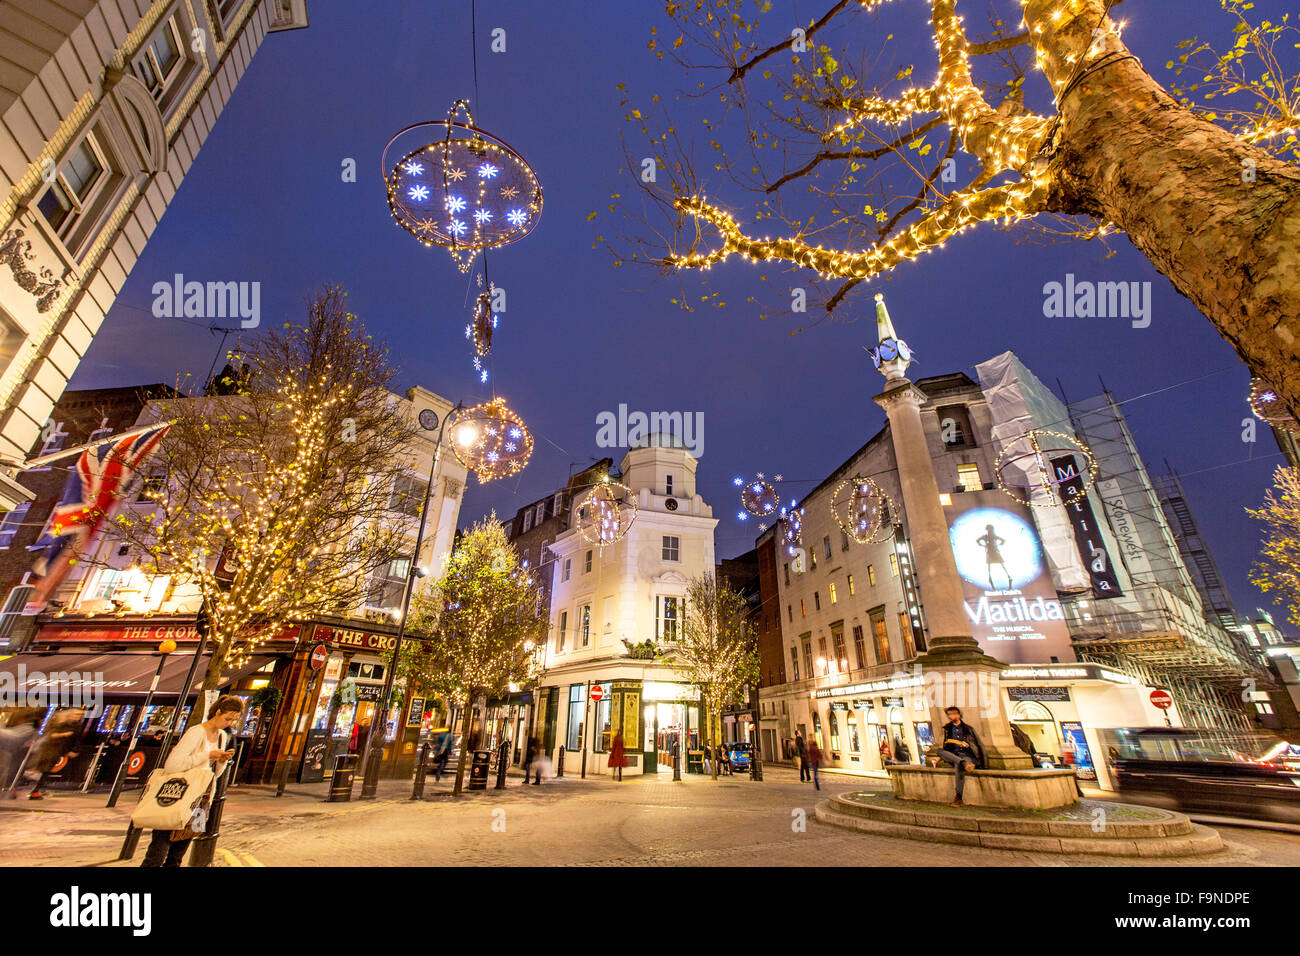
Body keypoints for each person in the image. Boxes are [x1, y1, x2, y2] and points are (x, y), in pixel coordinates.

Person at [141, 696, 241, 867]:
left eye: (233, 720)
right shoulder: (196, 732)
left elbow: (214, 774)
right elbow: (172, 765)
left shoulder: (222, 736)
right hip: (177, 796)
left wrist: (222, 761)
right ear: (217, 712)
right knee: (157, 854)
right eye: (227, 718)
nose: (229, 723)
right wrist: (208, 755)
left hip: (201, 800)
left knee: (177, 856)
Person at [25, 707, 85, 799]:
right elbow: (52, 734)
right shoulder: (62, 723)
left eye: (80, 715)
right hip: (51, 749)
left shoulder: (77, 726)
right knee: (43, 770)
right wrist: (65, 735)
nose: (78, 717)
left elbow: (76, 739)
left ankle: (36, 790)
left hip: (60, 750)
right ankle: (34, 790)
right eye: (76, 714)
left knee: (46, 771)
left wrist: (73, 750)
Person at [934, 706, 984, 807]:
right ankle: (962, 763)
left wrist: (968, 745)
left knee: (959, 765)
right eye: (949, 714)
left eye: (952, 714)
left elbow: (978, 744)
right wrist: (939, 758)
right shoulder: (947, 729)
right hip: (954, 755)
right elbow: (946, 747)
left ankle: (958, 797)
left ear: (958, 715)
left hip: (967, 755)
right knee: (939, 751)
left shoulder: (968, 729)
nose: (950, 716)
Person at [0, 708, 43, 795]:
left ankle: (8, 788)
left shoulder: (23, 723)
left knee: (7, 767)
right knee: (9, 767)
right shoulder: (29, 726)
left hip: (11, 745)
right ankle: (8, 788)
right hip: (13, 745)